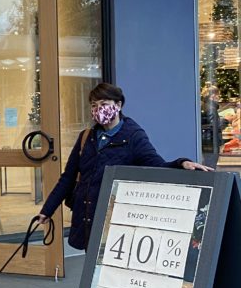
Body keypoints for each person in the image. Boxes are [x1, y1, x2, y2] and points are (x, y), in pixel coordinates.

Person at [37, 83, 211, 250]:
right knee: (90, 266)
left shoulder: (133, 136)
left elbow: (157, 165)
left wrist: (181, 163)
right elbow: (68, 177)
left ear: (118, 105)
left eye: (104, 104)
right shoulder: (86, 137)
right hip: (87, 217)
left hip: (116, 220)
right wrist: (48, 210)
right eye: (94, 105)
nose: (98, 109)